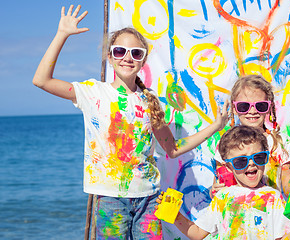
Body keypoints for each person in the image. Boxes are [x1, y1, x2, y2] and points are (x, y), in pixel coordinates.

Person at [32, 5, 229, 239]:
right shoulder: (92, 92)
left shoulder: (149, 100)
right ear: (110, 56)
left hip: (150, 200)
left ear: (143, 60)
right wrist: (62, 34)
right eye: (120, 51)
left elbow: (173, 148)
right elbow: (41, 80)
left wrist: (216, 126)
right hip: (109, 200)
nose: (127, 57)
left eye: (136, 53)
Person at [156, 126, 290, 240]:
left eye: (259, 157)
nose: (251, 164)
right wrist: (175, 216)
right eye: (241, 161)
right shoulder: (223, 197)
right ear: (228, 166)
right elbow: (197, 233)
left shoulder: (272, 197)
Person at [210, 74, 290, 198]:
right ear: (234, 108)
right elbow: (218, 190)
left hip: (270, 212)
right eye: (244, 106)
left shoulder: (280, 143)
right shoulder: (226, 144)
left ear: (269, 107)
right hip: (236, 214)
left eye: (260, 106)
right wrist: (213, 191)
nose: (252, 111)